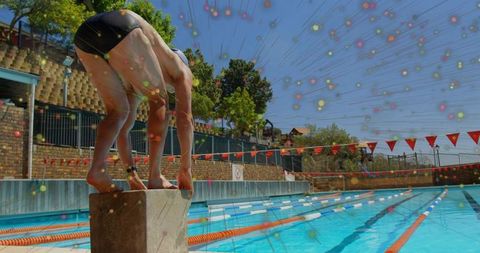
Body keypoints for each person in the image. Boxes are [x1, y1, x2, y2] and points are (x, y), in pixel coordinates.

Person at [73, 9, 193, 194]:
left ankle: (97, 170)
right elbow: (185, 119)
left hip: (84, 36)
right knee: (160, 100)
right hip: (123, 25)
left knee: (118, 111)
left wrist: (131, 174)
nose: (169, 85)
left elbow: (124, 131)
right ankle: (155, 176)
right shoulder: (182, 70)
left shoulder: (137, 75)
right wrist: (185, 170)